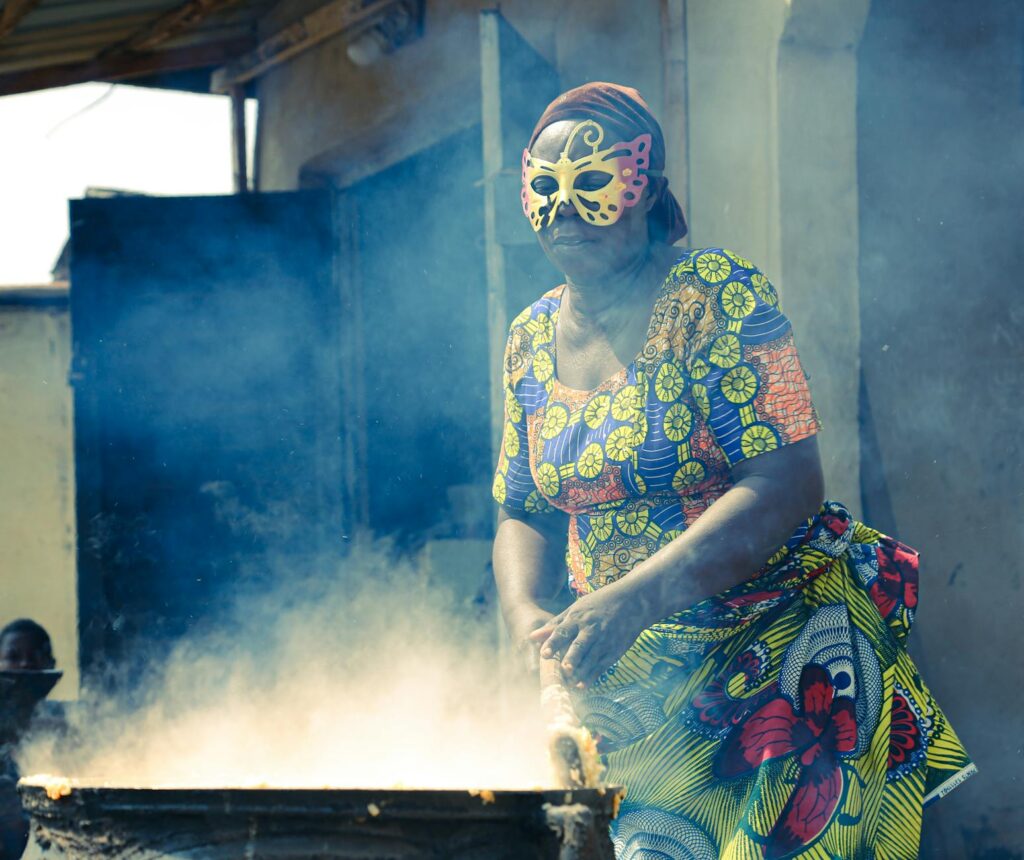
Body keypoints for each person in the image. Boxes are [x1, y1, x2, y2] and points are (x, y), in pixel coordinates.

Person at [491, 82, 974, 859]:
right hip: (633, 678)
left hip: (781, 660)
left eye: (592, 182)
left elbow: (786, 481)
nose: (565, 207)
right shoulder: (529, 337)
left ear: (643, 187)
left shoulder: (719, 295)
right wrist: (523, 614)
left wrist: (637, 595)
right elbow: (522, 506)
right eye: (545, 188)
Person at [0, 620, 61, 860]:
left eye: (35, 655)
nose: (25, 664)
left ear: (50, 664)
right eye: (13, 656)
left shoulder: (64, 723)